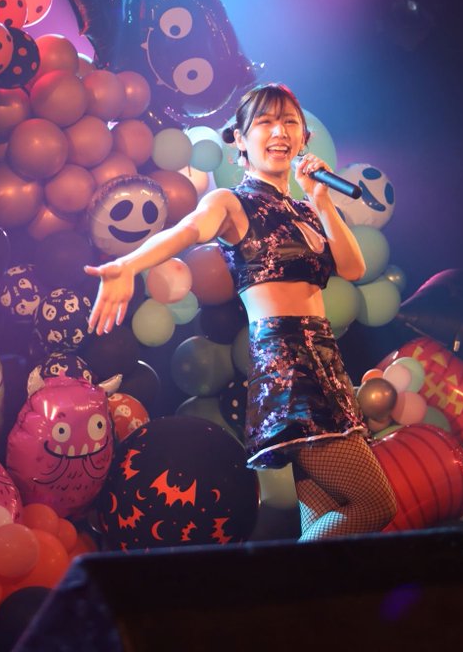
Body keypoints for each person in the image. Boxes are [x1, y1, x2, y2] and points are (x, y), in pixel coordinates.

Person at [85, 83, 397, 541]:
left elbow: (353, 267)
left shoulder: (305, 210)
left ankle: (301, 586)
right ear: (242, 140)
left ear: (303, 138)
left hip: (325, 358)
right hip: (289, 363)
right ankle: (277, 578)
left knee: (326, 522)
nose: (280, 131)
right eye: (266, 122)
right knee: (376, 504)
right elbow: (188, 230)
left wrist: (321, 199)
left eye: (289, 122)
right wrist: (128, 265)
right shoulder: (232, 201)